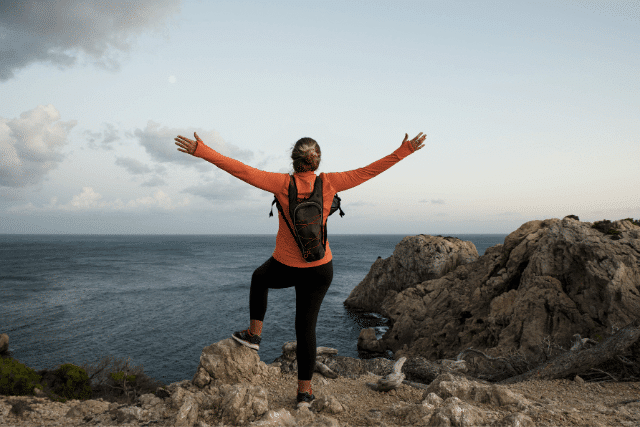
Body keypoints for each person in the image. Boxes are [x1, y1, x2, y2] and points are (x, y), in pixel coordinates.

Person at [174, 131, 426, 405]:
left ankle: (254, 334)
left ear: (294, 161)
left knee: (260, 278)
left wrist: (202, 150)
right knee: (306, 329)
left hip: (285, 265)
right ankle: (304, 393)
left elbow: (240, 170)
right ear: (317, 162)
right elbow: (370, 171)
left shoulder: (282, 184)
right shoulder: (330, 182)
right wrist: (405, 150)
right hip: (320, 268)